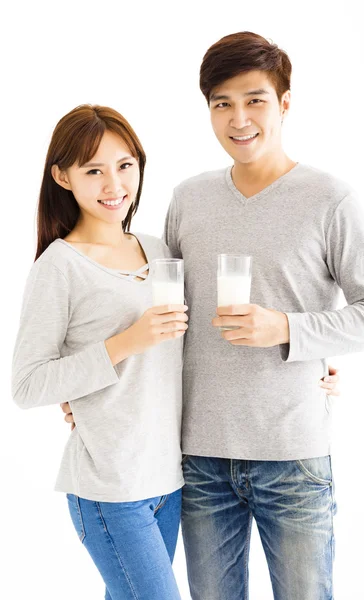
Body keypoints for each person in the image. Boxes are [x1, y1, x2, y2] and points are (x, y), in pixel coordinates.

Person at [162, 32, 364, 600]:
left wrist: (290, 329)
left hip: (292, 457)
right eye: (222, 103)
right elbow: (162, 319)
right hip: (198, 457)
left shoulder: (329, 199)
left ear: (285, 103)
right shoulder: (187, 198)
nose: (238, 118)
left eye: (255, 100)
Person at [11, 105, 190, 600]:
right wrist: (123, 344)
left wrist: (309, 364)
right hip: (109, 487)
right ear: (62, 176)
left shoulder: (159, 252)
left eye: (124, 165)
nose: (114, 184)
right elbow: (27, 386)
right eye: (94, 170)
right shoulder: (59, 265)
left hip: (169, 480)